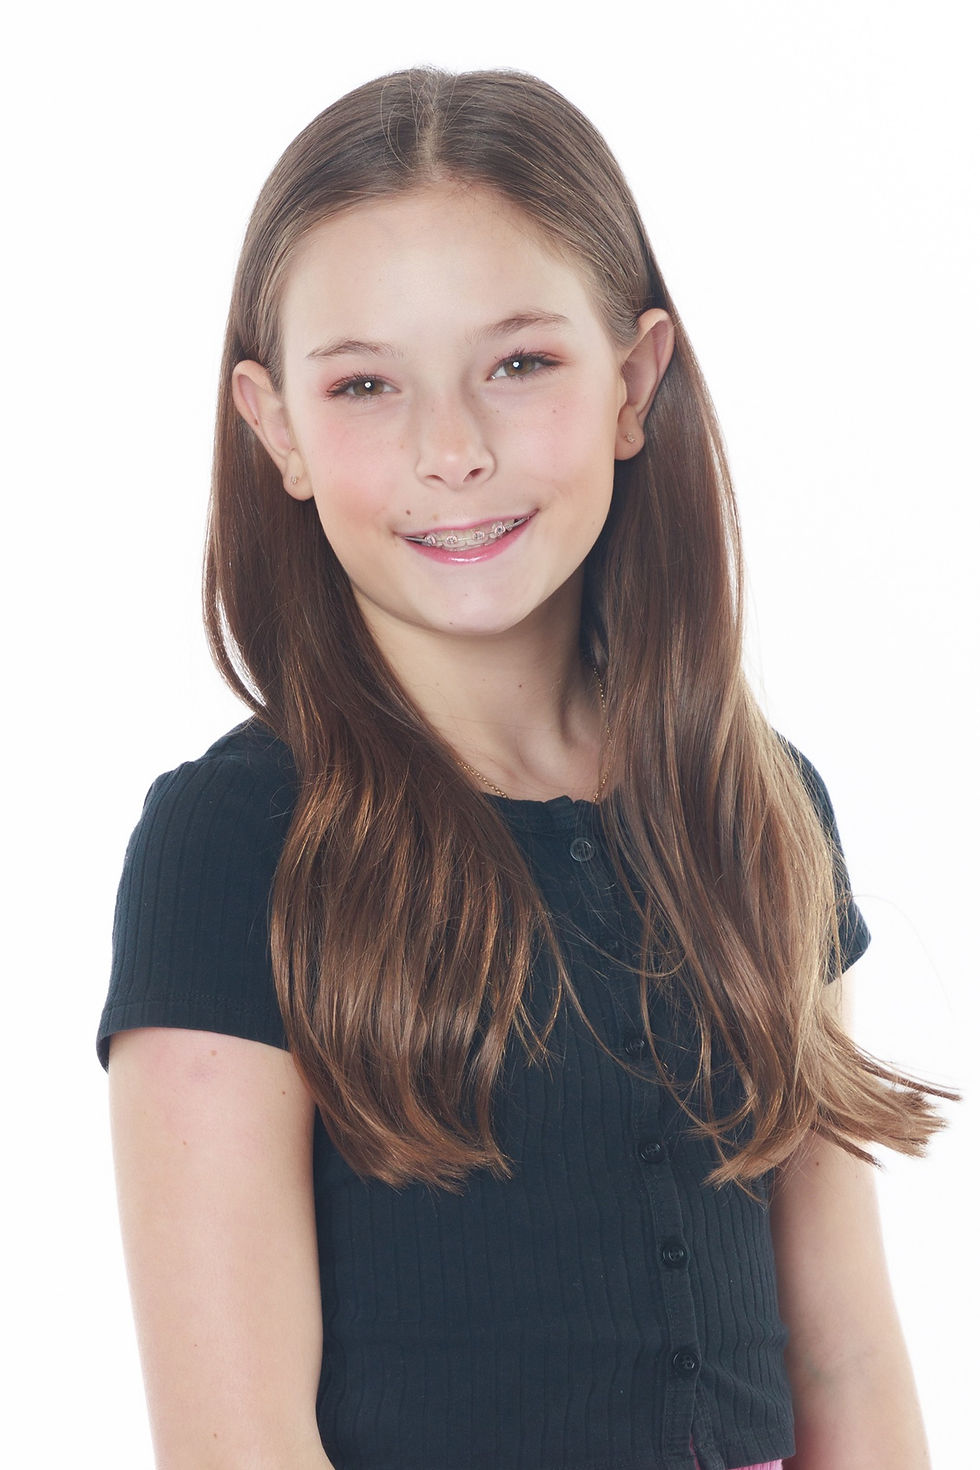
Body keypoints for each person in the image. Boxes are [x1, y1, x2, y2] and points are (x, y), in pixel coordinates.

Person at [98, 68, 950, 1470]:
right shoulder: (235, 844)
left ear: (635, 381)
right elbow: (236, 1441)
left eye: (520, 364)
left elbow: (846, 1354)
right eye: (365, 384)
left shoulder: (757, 806)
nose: (453, 451)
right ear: (277, 427)